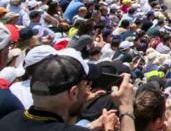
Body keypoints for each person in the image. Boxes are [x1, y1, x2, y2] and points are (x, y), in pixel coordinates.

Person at [0, 53, 135, 131]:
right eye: (86, 85)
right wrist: (126, 108)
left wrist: (92, 125)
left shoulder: (7, 119)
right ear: (73, 92)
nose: (88, 92)